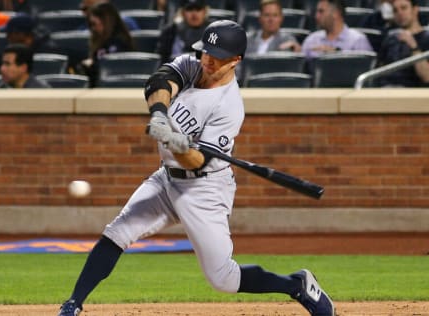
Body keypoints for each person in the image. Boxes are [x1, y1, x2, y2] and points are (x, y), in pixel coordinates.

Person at [57, 20, 335, 316]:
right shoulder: (193, 66)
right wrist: (160, 115)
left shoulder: (229, 107)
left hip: (204, 189)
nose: (208, 60)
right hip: (166, 179)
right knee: (118, 231)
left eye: (217, 55)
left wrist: (180, 145)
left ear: (236, 61)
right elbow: (159, 81)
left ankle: (296, 285)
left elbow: (199, 161)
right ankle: (73, 304)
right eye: (206, 51)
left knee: (223, 279)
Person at [81, 1, 135, 87]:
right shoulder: (98, 40)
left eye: (94, 24)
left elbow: (113, 69)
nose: (93, 28)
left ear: (106, 21)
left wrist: (92, 65)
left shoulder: (121, 42)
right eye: (91, 24)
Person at [377, 0, 429, 87]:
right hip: (386, 90)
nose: (400, 13)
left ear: (415, 10)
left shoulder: (426, 38)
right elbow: (377, 72)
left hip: (412, 92)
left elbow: (427, 77)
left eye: (404, 8)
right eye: (395, 10)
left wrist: (414, 47)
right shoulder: (390, 39)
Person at [301, 0, 374, 59]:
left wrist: (337, 54)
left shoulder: (358, 40)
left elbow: (363, 69)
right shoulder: (311, 40)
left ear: (336, 13)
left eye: (321, 11)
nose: (316, 16)